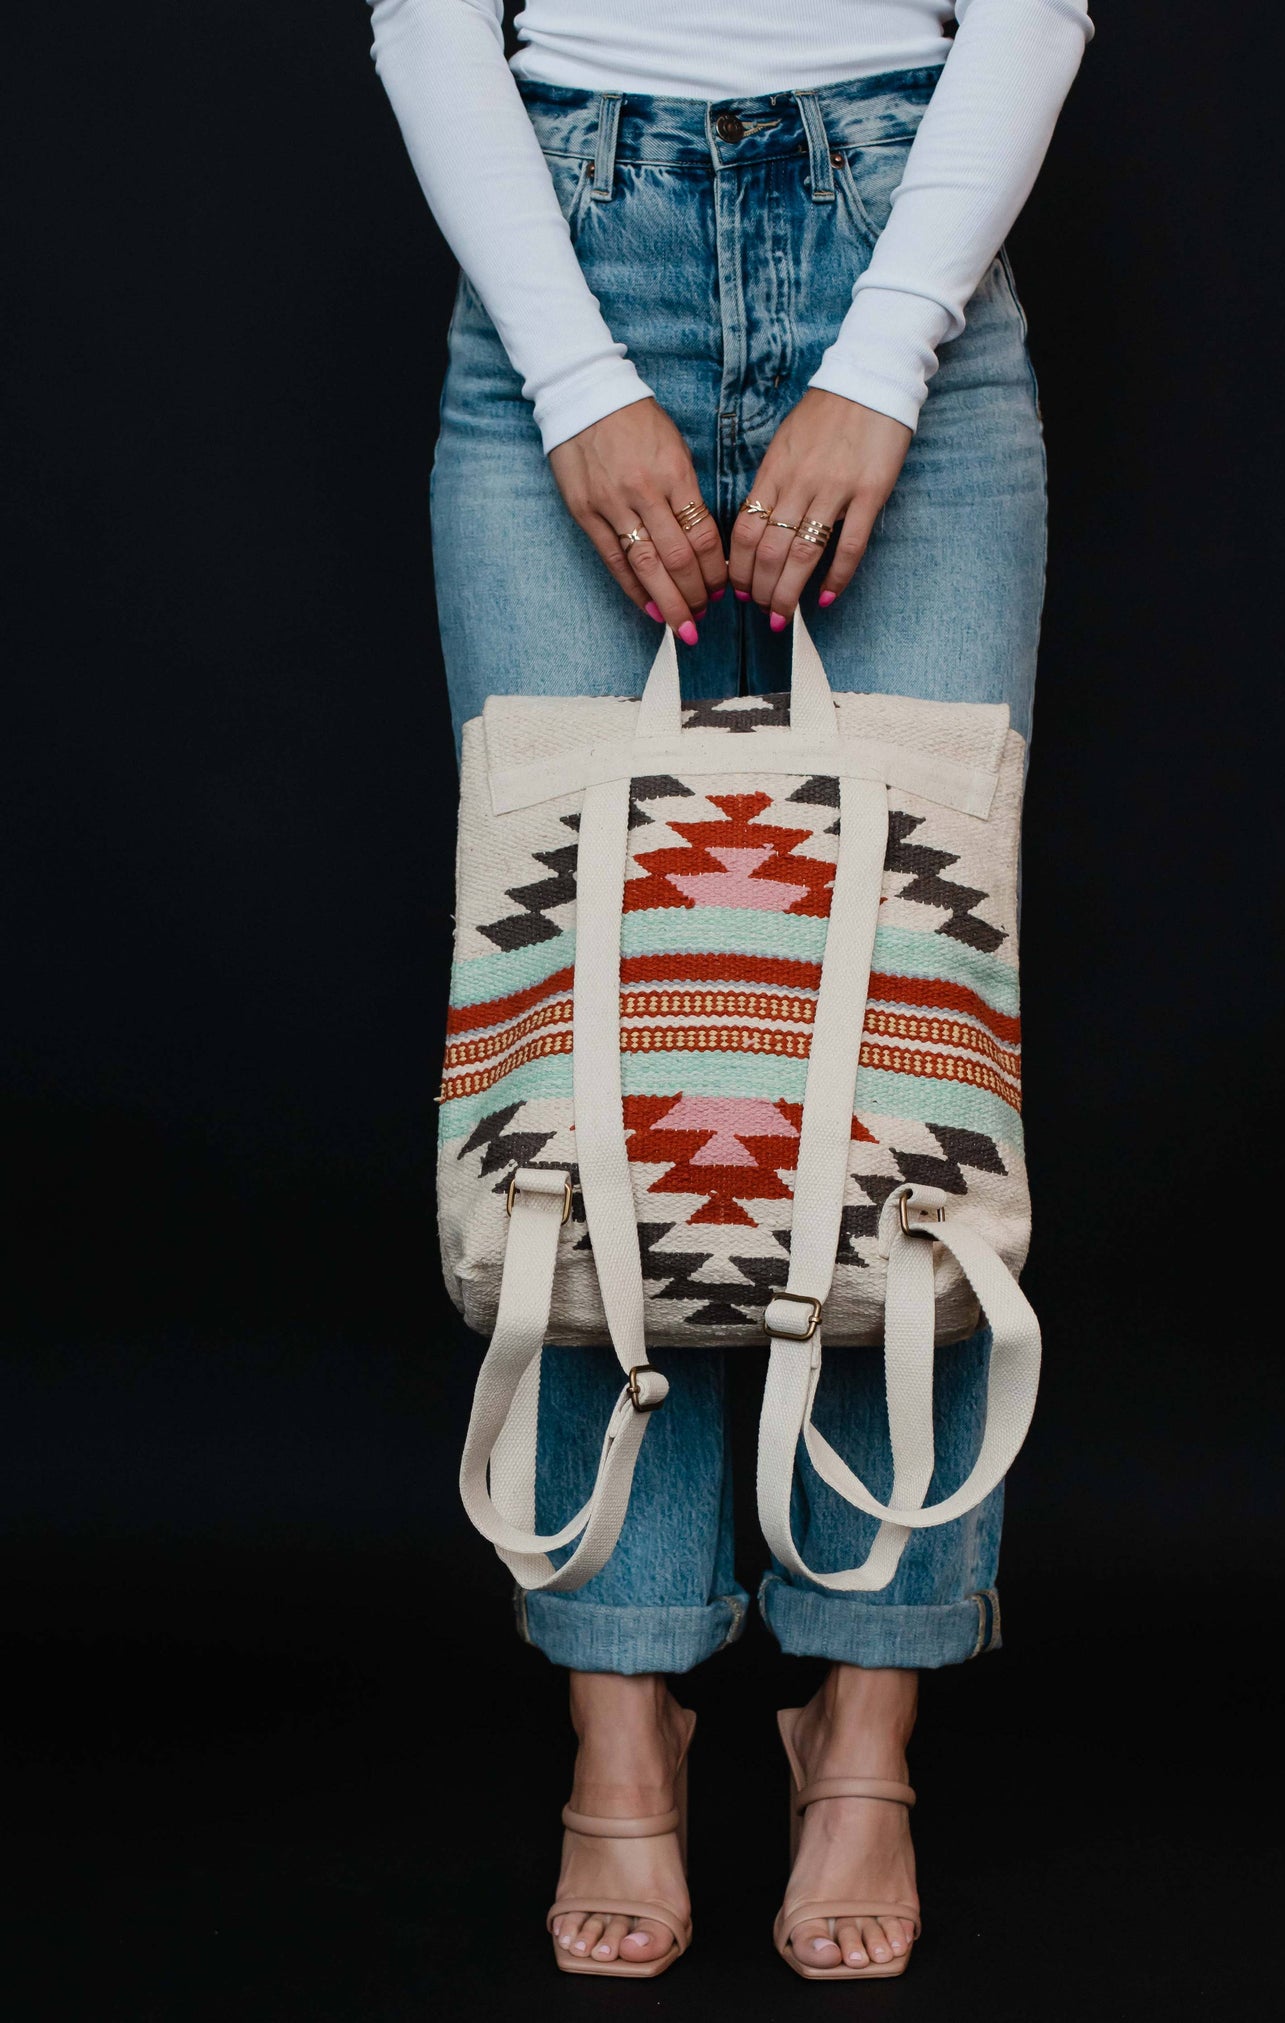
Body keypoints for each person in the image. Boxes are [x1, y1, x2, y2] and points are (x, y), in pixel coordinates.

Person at [368, 0, 1092, 1980]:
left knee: (894, 1046)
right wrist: (578, 372)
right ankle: (626, 1702)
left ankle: (866, 1714)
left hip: (904, 233)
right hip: (564, 237)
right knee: (595, 1036)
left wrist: (885, 357)